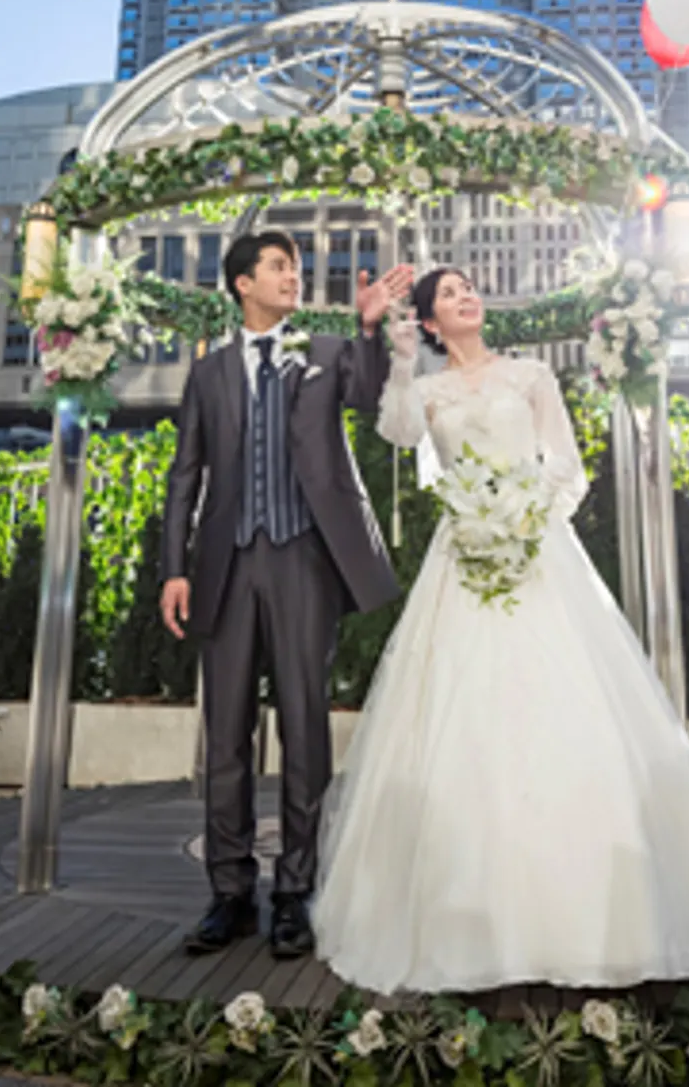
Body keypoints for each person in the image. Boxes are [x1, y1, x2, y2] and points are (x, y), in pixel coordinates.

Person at [312, 265, 689, 994]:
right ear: (431, 321)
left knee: (573, 709)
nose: (466, 297)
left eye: (469, 289)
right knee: (457, 717)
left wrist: (526, 517)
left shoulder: (530, 375)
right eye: (448, 295)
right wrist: (401, 360)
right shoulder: (428, 388)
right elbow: (398, 433)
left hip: (535, 547)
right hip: (461, 552)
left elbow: (566, 465)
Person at [159, 229, 413, 960]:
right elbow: (186, 474)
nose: (293, 277)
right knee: (226, 733)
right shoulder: (208, 374)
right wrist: (174, 568)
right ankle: (229, 890)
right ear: (242, 282)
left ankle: (295, 889)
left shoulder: (327, 351)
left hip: (305, 558)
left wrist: (366, 326)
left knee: (305, 728)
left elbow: (367, 396)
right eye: (278, 266)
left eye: (297, 268)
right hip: (227, 564)